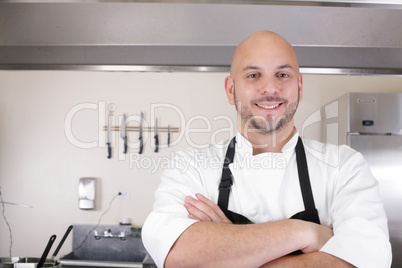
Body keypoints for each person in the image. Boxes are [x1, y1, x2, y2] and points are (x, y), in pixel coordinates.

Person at [142, 31, 391, 268]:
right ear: (231, 90)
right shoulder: (191, 165)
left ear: (300, 87)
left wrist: (226, 245)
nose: (270, 89)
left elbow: (370, 260)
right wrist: (305, 233)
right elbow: (177, 254)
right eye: (253, 75)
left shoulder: (344, 166)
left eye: (282, 75)